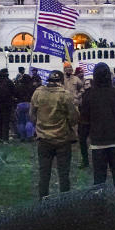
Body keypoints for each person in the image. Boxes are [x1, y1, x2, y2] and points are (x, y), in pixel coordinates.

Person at [30, 70, 79, 199]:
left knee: (44, 174)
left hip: (44, 140)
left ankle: (43, 202)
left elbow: (32, 115)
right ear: (61, 81)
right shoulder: (65, 95)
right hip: (62, 139)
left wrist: (40, 125)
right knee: (64, 174)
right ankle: (65, 203)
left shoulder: (38, 93)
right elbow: (74, 117)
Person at [80, 63, 115, 187]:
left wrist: (83, 138)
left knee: (99, 179)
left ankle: (99, 205)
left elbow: (84, 120)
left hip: (98, 141)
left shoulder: (89, 95)